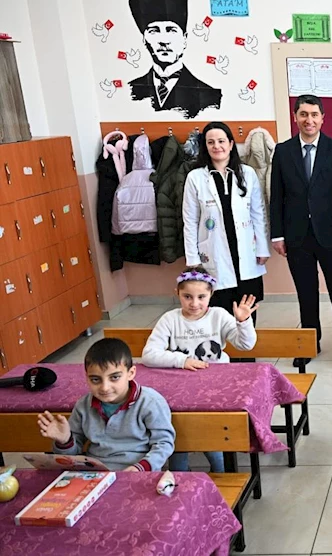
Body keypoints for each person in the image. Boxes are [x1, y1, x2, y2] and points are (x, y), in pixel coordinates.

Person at [270, 95, 332, 369]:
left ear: (322, 119)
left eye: (314, 115)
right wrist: (277, 235)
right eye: (304, 114)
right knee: (305, 292)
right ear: (295, 117)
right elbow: (277, 196)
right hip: (297, 235)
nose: (309, 120)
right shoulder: (283, 151)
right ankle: (310, 342)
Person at [142, 266, 258, 472]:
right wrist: (182, 360)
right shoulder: (170, 319)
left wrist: (243, 321)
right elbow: (149, 354)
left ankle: (220, 470)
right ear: (177, 293)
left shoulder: (219, 315)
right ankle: (179, 474)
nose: (194, 303)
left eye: (201, 297)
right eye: (187, 296)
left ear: (211, 294)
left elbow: (245, 345)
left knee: (209, 428)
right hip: (181, 387)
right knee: (177, 424)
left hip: (216, 386)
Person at [37, 338, 174, 472]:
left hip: (137, 471)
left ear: (130, 373)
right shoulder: (83, 405)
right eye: (95, 379)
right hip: (95, 473)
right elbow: (72, 456)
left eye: (114, 377)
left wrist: (142, 467)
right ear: (87, 377)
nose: (105, 388)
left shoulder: (150, 402)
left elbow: (164, 443)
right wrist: (65, 440)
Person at [183, 122, 268, 329]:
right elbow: (190, 220)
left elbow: (259, 213)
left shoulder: (247, 173)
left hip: (245, 252)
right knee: (219, 309)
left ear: (230, 144)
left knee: (247, 308)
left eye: (221, 141)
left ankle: (247, 347)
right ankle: (223, 349)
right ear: (205, 146)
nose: (217, 146)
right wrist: (193, 258)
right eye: (210, 142)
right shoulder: (195, 177)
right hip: (214, 252)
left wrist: (263, 248)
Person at [127, 0, 221, 118]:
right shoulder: (132, 90)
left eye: (171, 30)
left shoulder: (209, 97)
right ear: (144, 39)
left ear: (184, 39)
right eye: (154, 31)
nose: (164, 40)